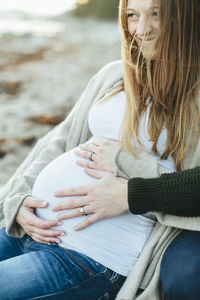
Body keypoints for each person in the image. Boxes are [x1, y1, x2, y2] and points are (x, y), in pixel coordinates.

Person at [0, 0, 200, 299]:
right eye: (133, 15)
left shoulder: (193, 96)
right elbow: (57, 141)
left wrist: (126, 176)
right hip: (31, 228)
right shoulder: (115, 74)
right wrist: (17, 201)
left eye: (156, 14)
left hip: (88, 256)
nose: (142, 29)